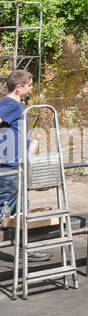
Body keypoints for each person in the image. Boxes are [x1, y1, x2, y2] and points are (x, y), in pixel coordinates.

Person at [0, 69, 33, 219]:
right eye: (29, 85)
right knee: (5, 208)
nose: (31, 88)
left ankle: (17, 240)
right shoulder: (11, 104)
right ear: (19, 87)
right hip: (9, 165)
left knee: (21, 206)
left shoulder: (14, 105)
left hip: (15, 163)